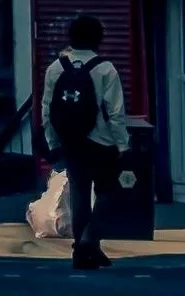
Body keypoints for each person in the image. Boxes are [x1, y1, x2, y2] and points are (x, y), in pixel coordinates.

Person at [38, 15, 127, 271]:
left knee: (79, 194)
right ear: (97, 38)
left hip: (71, 141)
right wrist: (123, 145)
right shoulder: (105, 68)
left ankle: (84, 249)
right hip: (101, 143)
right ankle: (88, 241)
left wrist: (53, 141)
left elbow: (47, 109)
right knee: (109, 192)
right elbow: (116, 112)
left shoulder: (56, 68)